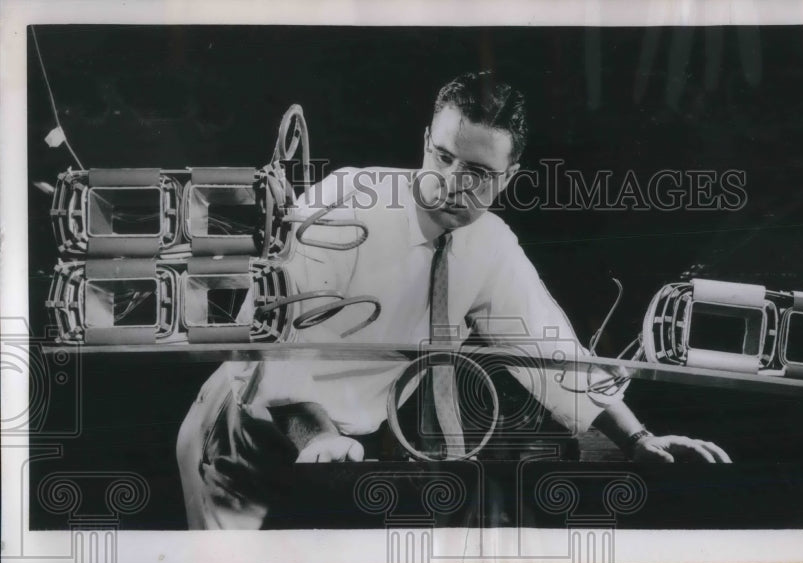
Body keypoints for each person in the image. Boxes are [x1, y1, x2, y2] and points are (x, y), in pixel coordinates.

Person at [176, 71, 730, 530]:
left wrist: (637, 440)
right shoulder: (342, 204)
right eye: (441, 157)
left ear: (509, 178)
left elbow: (552, 352)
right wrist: (316, 435)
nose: (450, 181)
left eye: (478, 172)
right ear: (425, 143)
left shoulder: (490, 246)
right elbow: (272, 340)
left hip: (344, 457)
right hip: (245, 441)